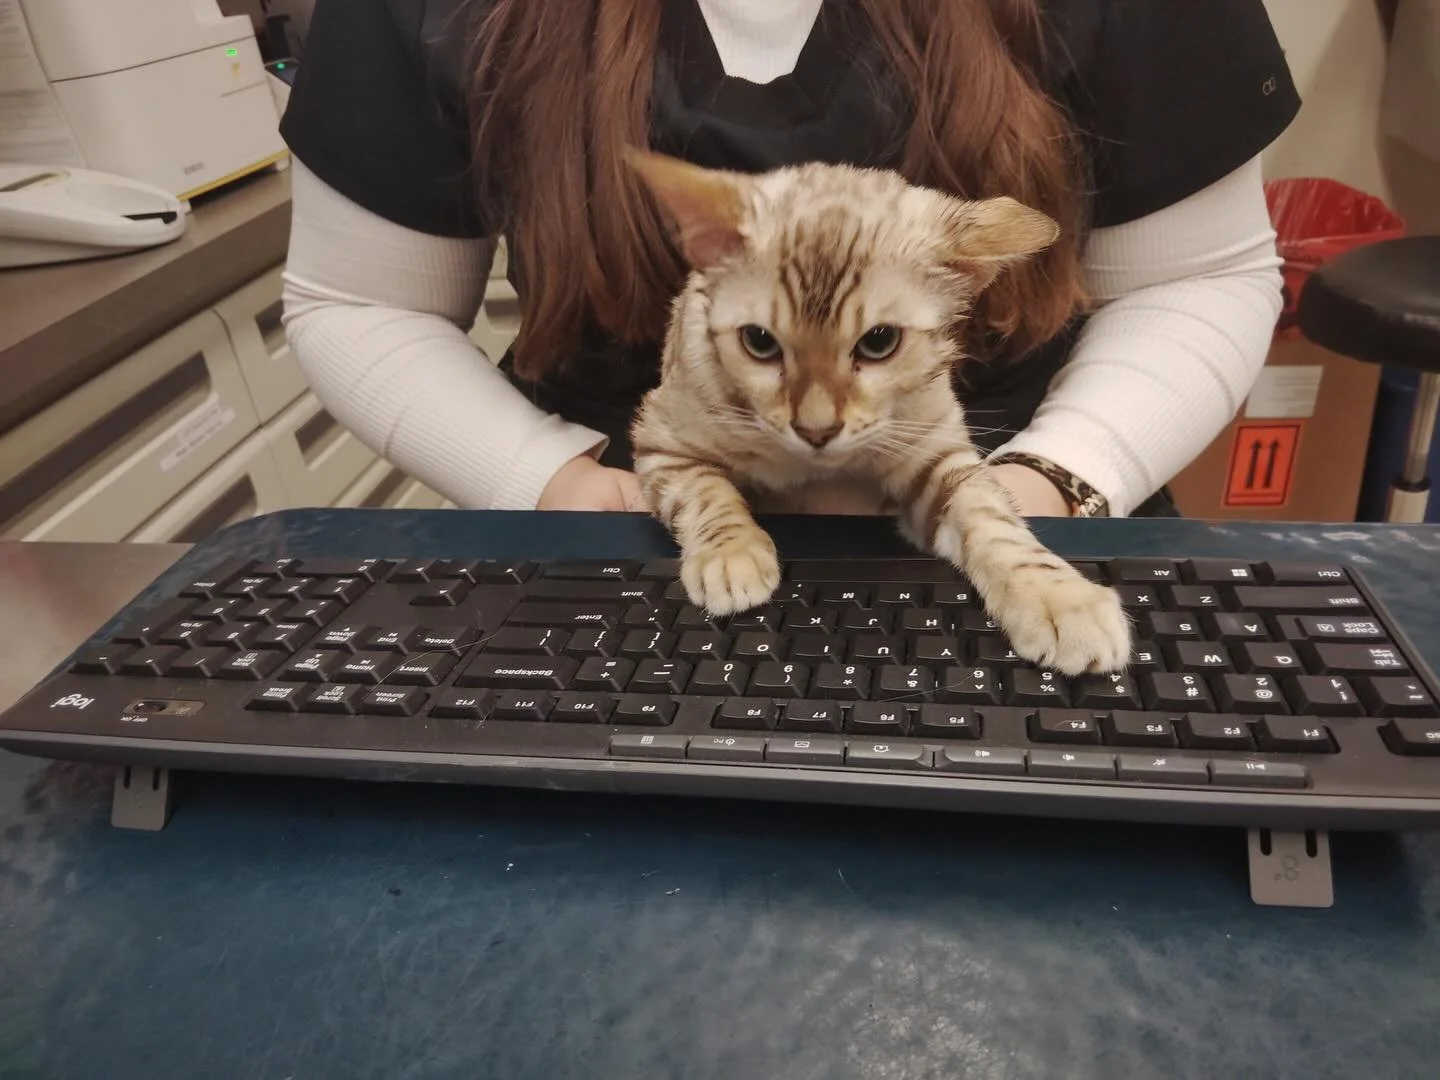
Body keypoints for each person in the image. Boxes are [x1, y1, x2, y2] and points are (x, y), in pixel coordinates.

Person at [278, 0, 1300, 519]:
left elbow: (1192, 278)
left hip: (1010, 502)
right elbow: (362, 300)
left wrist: (1058, 479)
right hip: (635, 529)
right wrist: (543, 479)